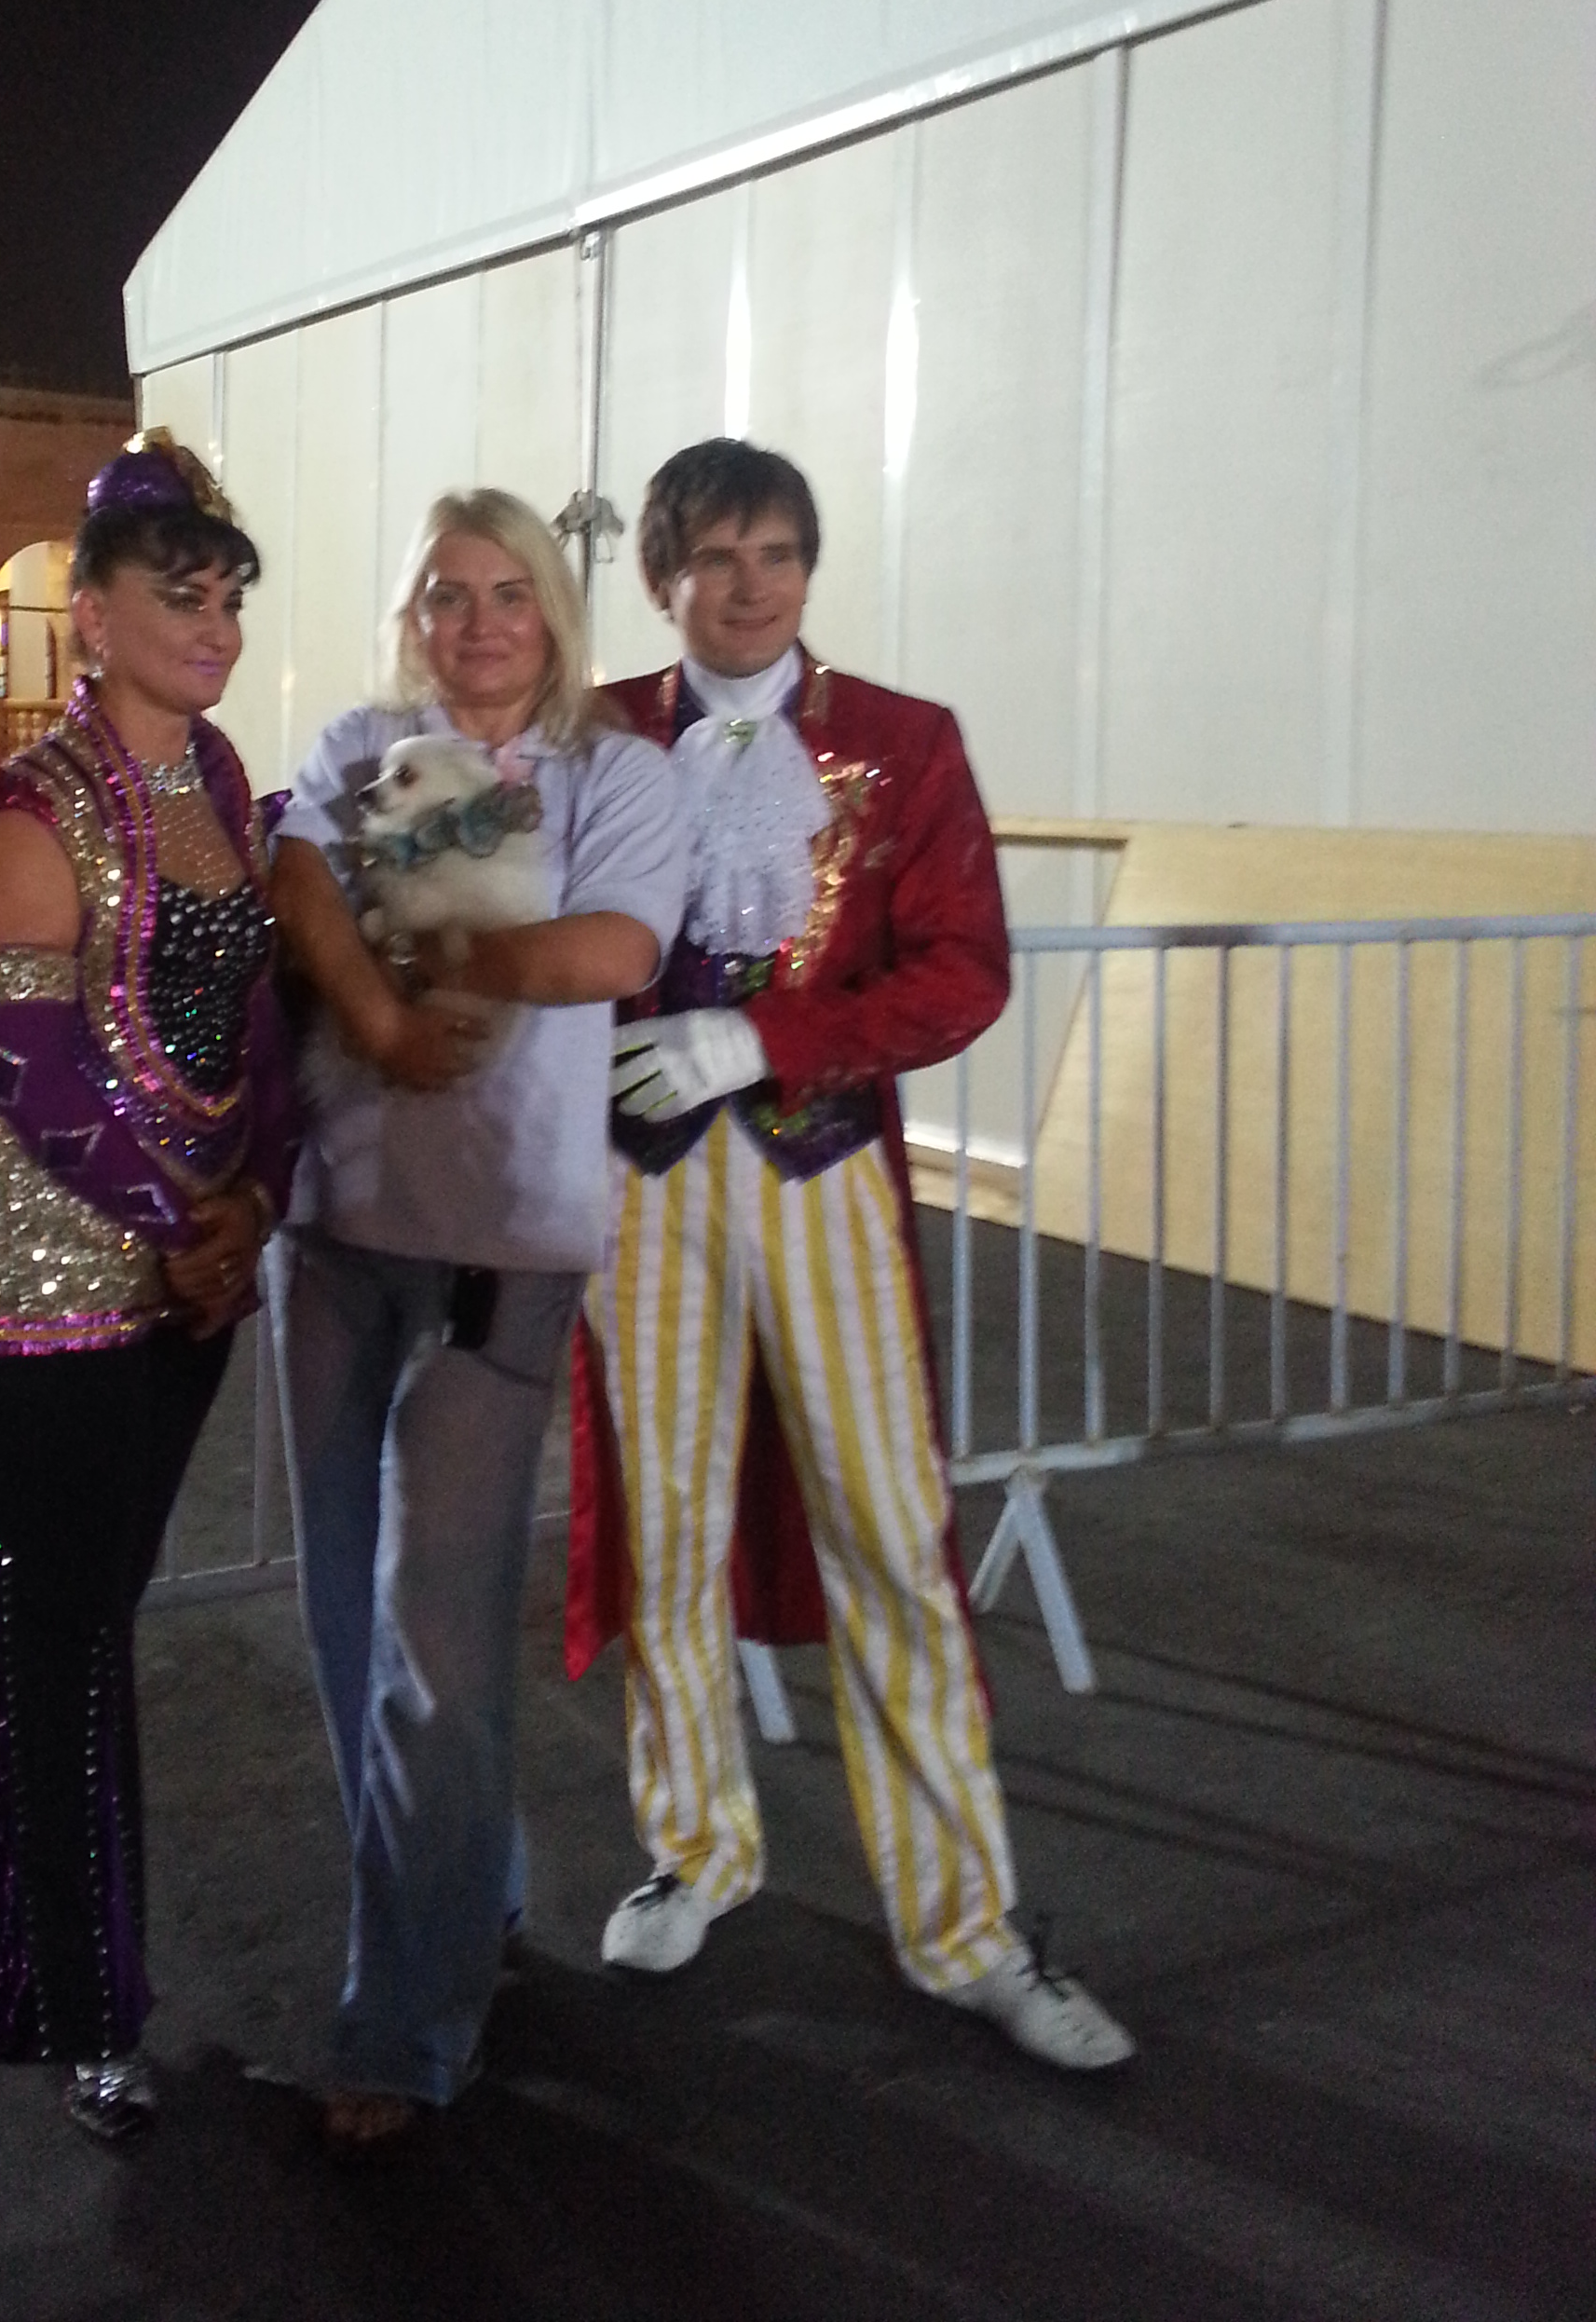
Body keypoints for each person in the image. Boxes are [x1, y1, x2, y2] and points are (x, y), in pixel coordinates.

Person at [567, 437, 1133, 2071]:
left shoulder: (904, 739)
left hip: (823, 1182)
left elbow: (964, 973)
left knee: (891, 1540)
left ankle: (966, 1925)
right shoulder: (589, 735)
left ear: (809, 568)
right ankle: (697, 1844)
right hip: (638, 1192)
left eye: (779, 554)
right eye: (716, 557)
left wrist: (765, 1040)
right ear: (661, 575)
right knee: (668, 1529)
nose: (751, 588)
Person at [0, 432, 299, 2143]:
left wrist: (250, 1203)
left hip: (183, 1273)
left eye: (229, 597)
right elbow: (28, 1065)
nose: (213, 625)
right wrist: (193, 1221)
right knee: (66, 1625)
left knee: (86, 1613)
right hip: (32, 1274)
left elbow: (260, 1027)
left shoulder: (224, 788)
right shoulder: (24, 808)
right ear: (95, 616)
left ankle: (17, 1940)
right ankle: (77, 2003)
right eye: (179, 594)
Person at [270, 490, 687, 2151]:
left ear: (557, 613)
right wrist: (379, 1011)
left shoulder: (617, 775)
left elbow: (616, 947)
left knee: (437, 1640)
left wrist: (442, 953)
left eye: (512, 591)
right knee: (344, 1623)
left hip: (503, 1248)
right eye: (449, 593)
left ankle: (407, 2024)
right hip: (337, 1225)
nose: (482, 621)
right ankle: (470, 1891)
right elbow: (300, 874)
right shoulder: (356, 744)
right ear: (414, 615)